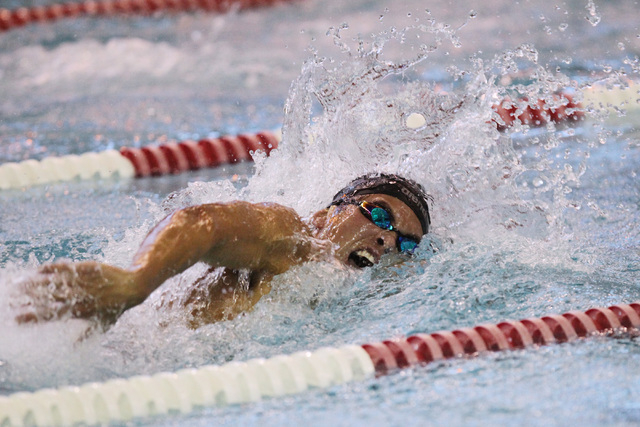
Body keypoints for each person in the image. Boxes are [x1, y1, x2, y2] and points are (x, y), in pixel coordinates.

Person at [15, 173, 431, 328]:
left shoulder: (334, 288)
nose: (386, 239)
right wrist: (136, 283)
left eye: (403, 242)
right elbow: (203, 223)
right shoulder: (292, 238)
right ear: (330, 210)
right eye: (380, 216)